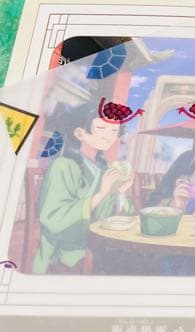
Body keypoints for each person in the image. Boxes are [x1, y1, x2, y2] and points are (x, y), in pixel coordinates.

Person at [32, 101, 134, 273]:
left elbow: (112, 216)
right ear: (79, 133)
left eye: (114, 131)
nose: (108, 136)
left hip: (96, 243)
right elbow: (53, 218)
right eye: (101, 128)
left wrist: (120, 193)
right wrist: (101, 194)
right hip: (64, 251)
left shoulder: (104, 168)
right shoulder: (63, 165)